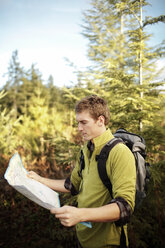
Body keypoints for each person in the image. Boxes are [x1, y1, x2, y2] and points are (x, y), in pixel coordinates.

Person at [28, 95, 136, 248]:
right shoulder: (86, 148)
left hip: (107, 243)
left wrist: (80, 215)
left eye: (84, 122)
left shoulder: (120, 153)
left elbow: (124, 208)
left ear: (100, 120)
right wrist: (39, 180)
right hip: (83, 238)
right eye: (78, 122)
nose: (79, 128)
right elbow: (71, 185)